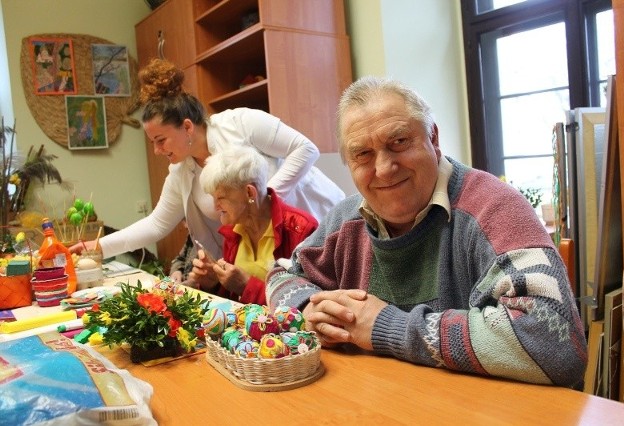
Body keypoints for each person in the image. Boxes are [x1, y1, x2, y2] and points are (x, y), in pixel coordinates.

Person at [266, 76, 587, 387]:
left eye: (399, 142)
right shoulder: (345, 219)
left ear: (433, 138)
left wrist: (387, 327)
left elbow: (556, 342)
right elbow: (280, 278)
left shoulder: (494, 208)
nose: (384, 168)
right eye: (362, 154)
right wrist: (307, 309)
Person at [70, 58, 343, 262]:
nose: (157, 151)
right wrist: (99, 247)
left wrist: (266, 199)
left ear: (187, 127)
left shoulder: (241, 123)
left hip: (322, 229)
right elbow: (156, 224)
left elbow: (306, 149)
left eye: (160, 140)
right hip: (273, 258)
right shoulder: (181, 172)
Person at [191, 144, 318, 304]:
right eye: (212, 197)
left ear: (250, 192)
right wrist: (213, 283)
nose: (215, 206)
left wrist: (246, 286)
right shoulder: (233, 230)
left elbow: (308, 304)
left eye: (221, 198)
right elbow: (231, 302)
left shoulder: (301, 229)